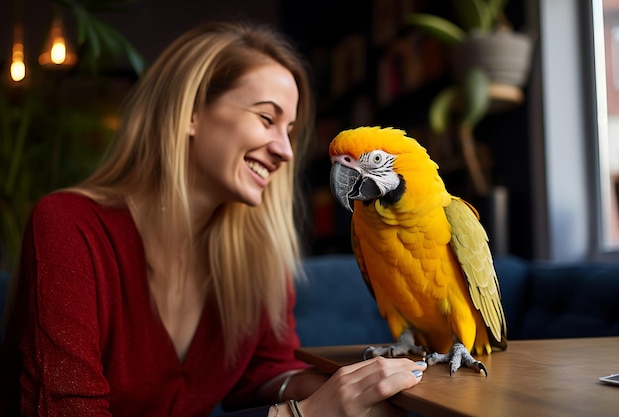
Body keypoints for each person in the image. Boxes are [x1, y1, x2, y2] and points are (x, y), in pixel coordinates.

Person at [0, 20, 426, 417]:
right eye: (266, 118)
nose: (286, 151)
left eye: (290, 131)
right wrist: (306, 413)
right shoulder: (68, 225)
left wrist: (351, 389)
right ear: (190, 112)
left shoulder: (257, 253)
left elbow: (265, 374)